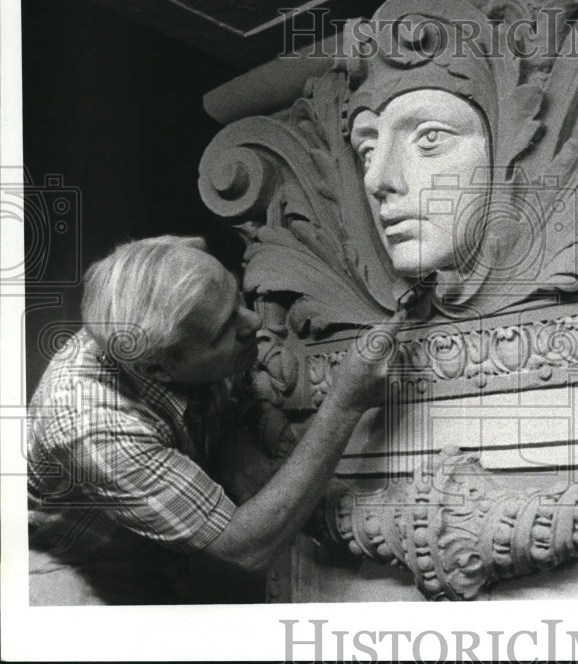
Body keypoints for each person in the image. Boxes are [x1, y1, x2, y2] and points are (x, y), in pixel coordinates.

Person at [26, 235, 402, 604]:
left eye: (236, 296)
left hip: (159, 551)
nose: (254, 320)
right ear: (158, 369)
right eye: (226, 329)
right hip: (75, 566)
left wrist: (233, 442)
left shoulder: (166, 308)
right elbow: (244, 551)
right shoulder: (91, 422)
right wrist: (344, 404)